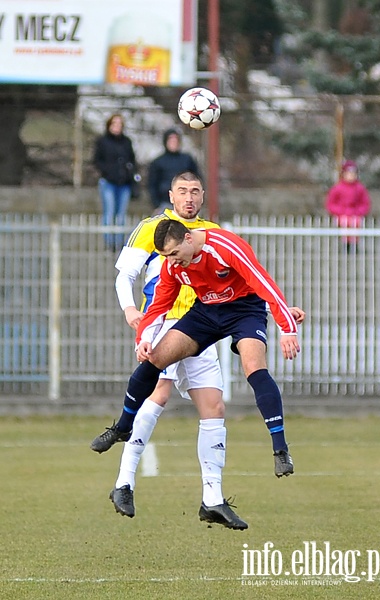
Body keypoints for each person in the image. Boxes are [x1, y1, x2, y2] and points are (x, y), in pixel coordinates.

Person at [92, 213, 306, 528]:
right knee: (155, 364)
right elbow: (158, 306)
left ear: (189, 238)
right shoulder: (169, 259)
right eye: (167, 257)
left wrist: (286, 325)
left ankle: (279, 450)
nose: (172, 262)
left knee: (248, 371)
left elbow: (264, 283)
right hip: (204, 314)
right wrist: (143, 339)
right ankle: (123, 433)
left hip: (244, 311)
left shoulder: (224, 244)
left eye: (175, 254)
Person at [91, 171, 247, 530]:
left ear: (203, 196)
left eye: (195, 191)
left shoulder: (210, 231)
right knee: (158, 394)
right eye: (182, 191)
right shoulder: (153, 227)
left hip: (200, 327)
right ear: (171, 195)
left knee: (214, 406)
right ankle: (124, 482)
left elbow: (237, 282)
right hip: (163, 325)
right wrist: (131, 310)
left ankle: (212, 499)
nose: (188, 197)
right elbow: (124, 274)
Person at [93, 114, 137, 251]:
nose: (117, 127)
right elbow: (97, 160)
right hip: (108, 182)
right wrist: (107, 171)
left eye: (119, 124)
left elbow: (132, 159)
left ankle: (119, 243)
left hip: (124, 183)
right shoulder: (102, 141)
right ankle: (109, 243)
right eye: (114, 124)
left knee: (121, 214)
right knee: (109, 212)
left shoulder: (126, 142)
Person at [148, 128, 201, 213]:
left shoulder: (187, 160)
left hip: (186, 203)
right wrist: (156, 204)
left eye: (175, 140)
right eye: (171, 140)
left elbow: (197, 178)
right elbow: (152, 184)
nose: (173, 143)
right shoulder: (158, 162)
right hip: (164, 203)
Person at [325, 160, 371, 252]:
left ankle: (354, 244)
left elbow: (365, 203)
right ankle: (345, 244)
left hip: (355, 215)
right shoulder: (337, 188)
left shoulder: (360, 188)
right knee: (344, 223)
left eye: (353, 173)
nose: (351, 176)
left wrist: (358, 212)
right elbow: (330, 204)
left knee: (355, 223)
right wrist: (341, 211)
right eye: (349, 173)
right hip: (342, 215)